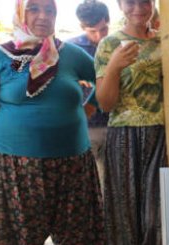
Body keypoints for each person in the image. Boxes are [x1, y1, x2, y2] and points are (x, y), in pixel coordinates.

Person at [0, 0, 108, 245]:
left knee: (74, 226)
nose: (43, 16)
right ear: (21, 14)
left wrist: (89, 106)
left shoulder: (69, 54)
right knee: (24, 230)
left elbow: (103, 78)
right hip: (17, 161)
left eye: (49, 10)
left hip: (73, 157)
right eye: (34, 9)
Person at [95, 0, 164, 245]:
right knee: (124, 210)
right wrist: (114, 67)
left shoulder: (165, 42)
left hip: (159, 132)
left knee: (154, 212)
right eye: (131, 1)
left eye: (145, 1)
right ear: (121, 4)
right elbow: (105, 104)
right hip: (123, 133)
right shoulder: (109, 45)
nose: (139, 7)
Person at [67, 0, 110, 185]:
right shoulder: (69, 50)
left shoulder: (116, 45)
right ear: (82, 26)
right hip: (83, 128)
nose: (100, 36)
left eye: (104, 29)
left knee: (109, 184)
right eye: (93, 31)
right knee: (84, 183)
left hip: (113, 125)